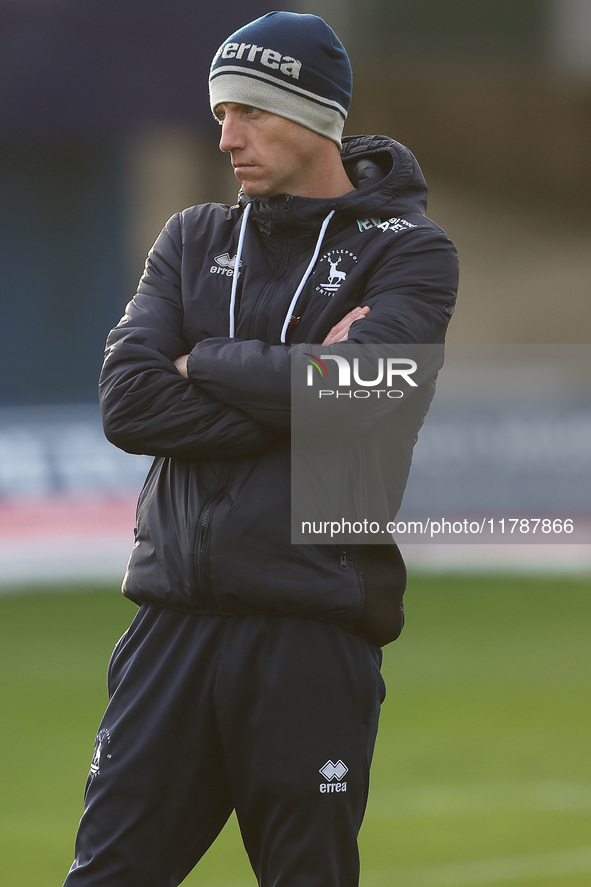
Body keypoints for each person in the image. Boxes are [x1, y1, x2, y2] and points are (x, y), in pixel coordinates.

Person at [63, 11, 458, 887]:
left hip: (309, 629)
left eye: (248, 111)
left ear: (315, 116)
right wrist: (301, 386)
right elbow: (129, 403)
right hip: (170, 627)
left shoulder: (413, 254)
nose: (226, 135)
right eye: (218, 113)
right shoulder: (191, 236)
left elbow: (356, 406)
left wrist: (199, 361)